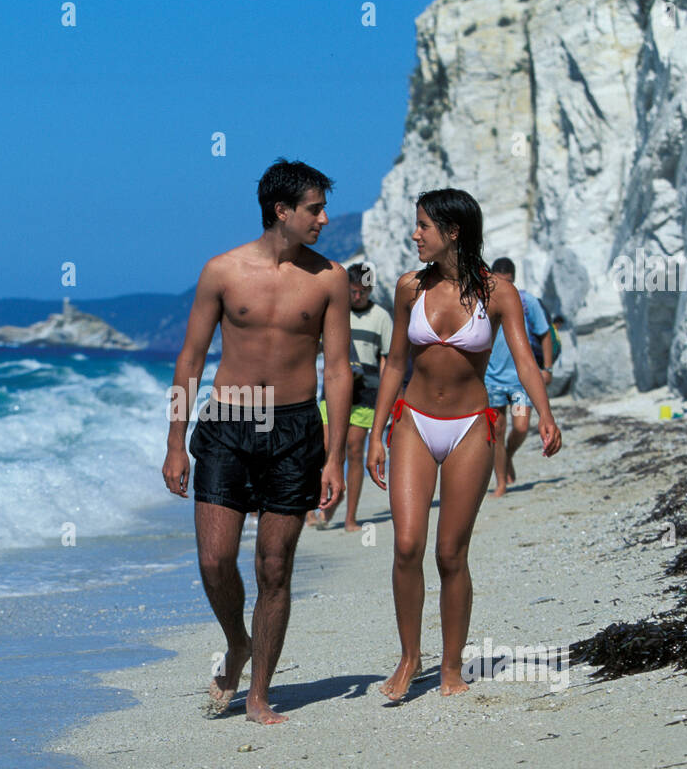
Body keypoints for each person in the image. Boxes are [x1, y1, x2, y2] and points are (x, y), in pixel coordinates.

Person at [162, 158, 351, 725]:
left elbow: (338, 370)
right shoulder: (223, 271)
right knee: (215, 559)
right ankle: (236, 642)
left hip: (295, 428)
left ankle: (261, 692)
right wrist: (176, 440)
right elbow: (190, 359)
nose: (324, 218)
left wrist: (335, 457)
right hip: (227, 423)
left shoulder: (329, 278)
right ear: (282, 211)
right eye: (315, 209)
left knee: (274, 565)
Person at [366, 189, 561, 701]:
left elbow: (523, 358)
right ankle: (410, 658)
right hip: (413, 422)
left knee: (450, 552)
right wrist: (376, 434)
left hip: (472, 426)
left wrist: (544, 414)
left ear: (453, 231)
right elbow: (393, 365)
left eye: (423, 226)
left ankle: (451, 666)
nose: (415, 235)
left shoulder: (498, 293)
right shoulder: (409, 287)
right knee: (407, 545)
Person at [307, 262, 392, 531]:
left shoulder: (381, 317)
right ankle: (317, 503)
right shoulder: (333, 312)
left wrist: (389, 399)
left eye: (363, 292)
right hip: (331, 393)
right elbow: (314, 349)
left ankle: (350, 517)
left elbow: (387, 361)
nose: (358, 297)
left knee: (355, 451)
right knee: (325, 449)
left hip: (366, 394)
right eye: (353, 291)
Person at [481, 257, 553, 497]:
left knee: (521, 426)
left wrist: (547, 368)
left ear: (514, 280)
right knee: (497, 431)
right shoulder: (482, 301)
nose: (504, 287)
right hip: (492, 380)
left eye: (508, 282)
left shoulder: (526, 302)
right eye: (499, 282)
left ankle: (508, 455)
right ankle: (500, 482)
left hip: (520, 382)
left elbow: (544, 334)